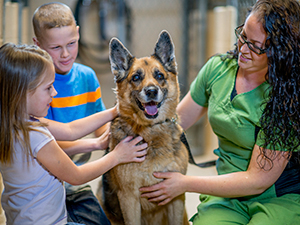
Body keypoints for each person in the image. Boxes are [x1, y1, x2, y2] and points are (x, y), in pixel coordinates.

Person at [139, 0, 300, 224]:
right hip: (226, 193)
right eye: (243, 36)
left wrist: (184, 183)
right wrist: (129, 134)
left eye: (255, 45)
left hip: (277, 196)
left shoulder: (286, 98)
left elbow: (257, 180)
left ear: (279, 52)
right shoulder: (218, 69)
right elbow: (174, 123)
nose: (243, 49)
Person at [0, 43, 148, 225]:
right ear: (21, 94)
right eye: (48, 88)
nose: (54, 92)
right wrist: (117, 156)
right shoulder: (34, 135)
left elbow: (70, 130)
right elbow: (76, 176)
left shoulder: (13, 123)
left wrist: (113, 113)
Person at [32, 2, 110, 224]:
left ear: (78, 33)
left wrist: (112, 136)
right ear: (37, 44)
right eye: (55, 48)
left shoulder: (87, 77)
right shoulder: (34, 86)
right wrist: (98, 145)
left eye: (71, 43)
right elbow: (45, 145)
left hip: (76, 180)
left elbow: (100, 123)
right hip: (42, 179)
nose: (65, 54)